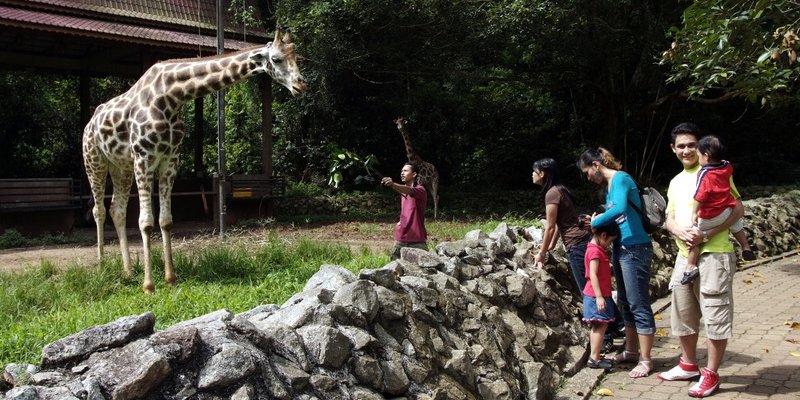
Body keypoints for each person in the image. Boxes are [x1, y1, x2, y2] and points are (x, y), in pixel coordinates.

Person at [657, 122, 743, 398]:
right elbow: (668, 217)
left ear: (702, 148)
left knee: (716, 315)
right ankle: (688, 364)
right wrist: (677, 229)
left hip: (714, 254)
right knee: (683, 311)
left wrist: (708, 233)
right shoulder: (675, 181)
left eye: (691, 145)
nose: (686, 150)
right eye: (680, 146)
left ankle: (711, 374)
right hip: (684, 255)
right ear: (673, 149)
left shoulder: (715, 171)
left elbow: (737, 208)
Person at [578, 147, 656, 378]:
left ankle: (646, 359)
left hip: (635, 247)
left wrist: (596, 221)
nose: (588, 177)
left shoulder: (620, 179)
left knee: (638, 302)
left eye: (587, 172)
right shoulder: (610, 186)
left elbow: (621, 209)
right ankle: (631, 351)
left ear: (595, 165)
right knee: (625, 301)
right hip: (621, 247)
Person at [681, 135, 755, 285]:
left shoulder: (704, 174)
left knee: (695, 238)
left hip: (711, 216)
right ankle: (746, 247)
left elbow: (699, 196)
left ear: (706, 156)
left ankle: (690, 266)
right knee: (736, 225)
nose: (698, 158)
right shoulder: (727, 166)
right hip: (727, 210)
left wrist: (695, 213)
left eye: (699, 154)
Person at [530, 158, 592, 291]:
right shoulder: (561, 189)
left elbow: (550, 227)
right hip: (585, 240)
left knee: (588, 290)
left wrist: (541, 254)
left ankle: (597, 312)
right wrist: (551, 245)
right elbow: (560, 222)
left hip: (575, 245)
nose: (532, 174)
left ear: (542, 174)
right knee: (595, 286)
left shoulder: (551, 193)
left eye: (534, 171)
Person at [582, 221, 621, 370]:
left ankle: (595, 356)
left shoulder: (596, 248)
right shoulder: (595, 251)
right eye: (610, 241)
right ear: (603, 235)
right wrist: (599, 296)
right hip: (596, 295)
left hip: (598, 294)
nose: (609, 244)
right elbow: (593, 273)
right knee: (601, 325)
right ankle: (594, 358)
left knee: (599, 326)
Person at [382, 162, 428, 260]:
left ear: (414, 174)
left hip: (416, 240)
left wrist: (393, 184)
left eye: (406, 171)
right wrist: (399, 223)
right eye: (402, 171)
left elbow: (410, 190)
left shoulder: (420, 190)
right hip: (400, 238)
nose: (402, 173)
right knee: (395, 270)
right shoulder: (403, 192)